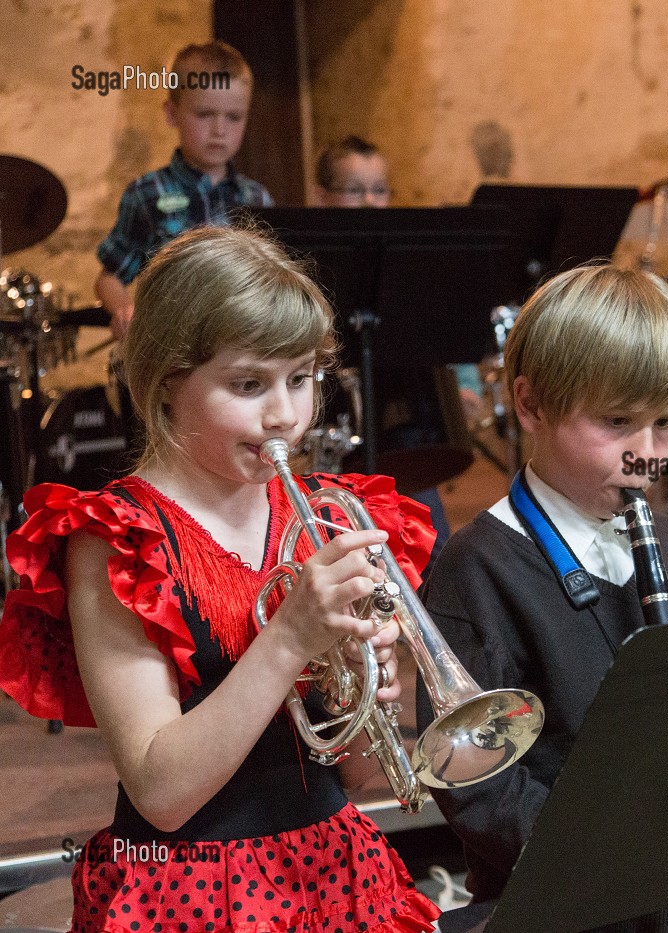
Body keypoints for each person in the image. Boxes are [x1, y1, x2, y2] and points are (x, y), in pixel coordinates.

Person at [0, 225, 440, 933]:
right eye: (248, 383)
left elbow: (358, 776)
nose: (285, 415)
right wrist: (292, 635)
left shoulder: (324, 513)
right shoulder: (117, 538)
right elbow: (161, 789)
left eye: (300, 378)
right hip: (190, 887)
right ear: (168, 380)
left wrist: (363, 683)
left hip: (334, 868)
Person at [419, 263, 668, 933]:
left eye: (665, 425)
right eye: (618, 421)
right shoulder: (478, 566)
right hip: (557, 907)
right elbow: (474, 781)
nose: (646, 454)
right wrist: (619, 858)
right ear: (531, 404)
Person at [310, 134, 455, 566]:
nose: (372, 202)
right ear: (321, 197)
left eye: (380, 190)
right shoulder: (307, 260)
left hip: (397, 437)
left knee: (433, 548)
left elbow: (437, 327)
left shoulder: (402, 262)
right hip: (329, 434)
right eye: (355, 191)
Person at [95, 41, 271, 339]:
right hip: (172, 348)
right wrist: (124, 309)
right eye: (204, 115)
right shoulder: (146, 193)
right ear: (172, 114)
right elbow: (109, 277)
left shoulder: (258, 198)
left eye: (234, 117)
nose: (219, 130)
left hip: (241, 346)